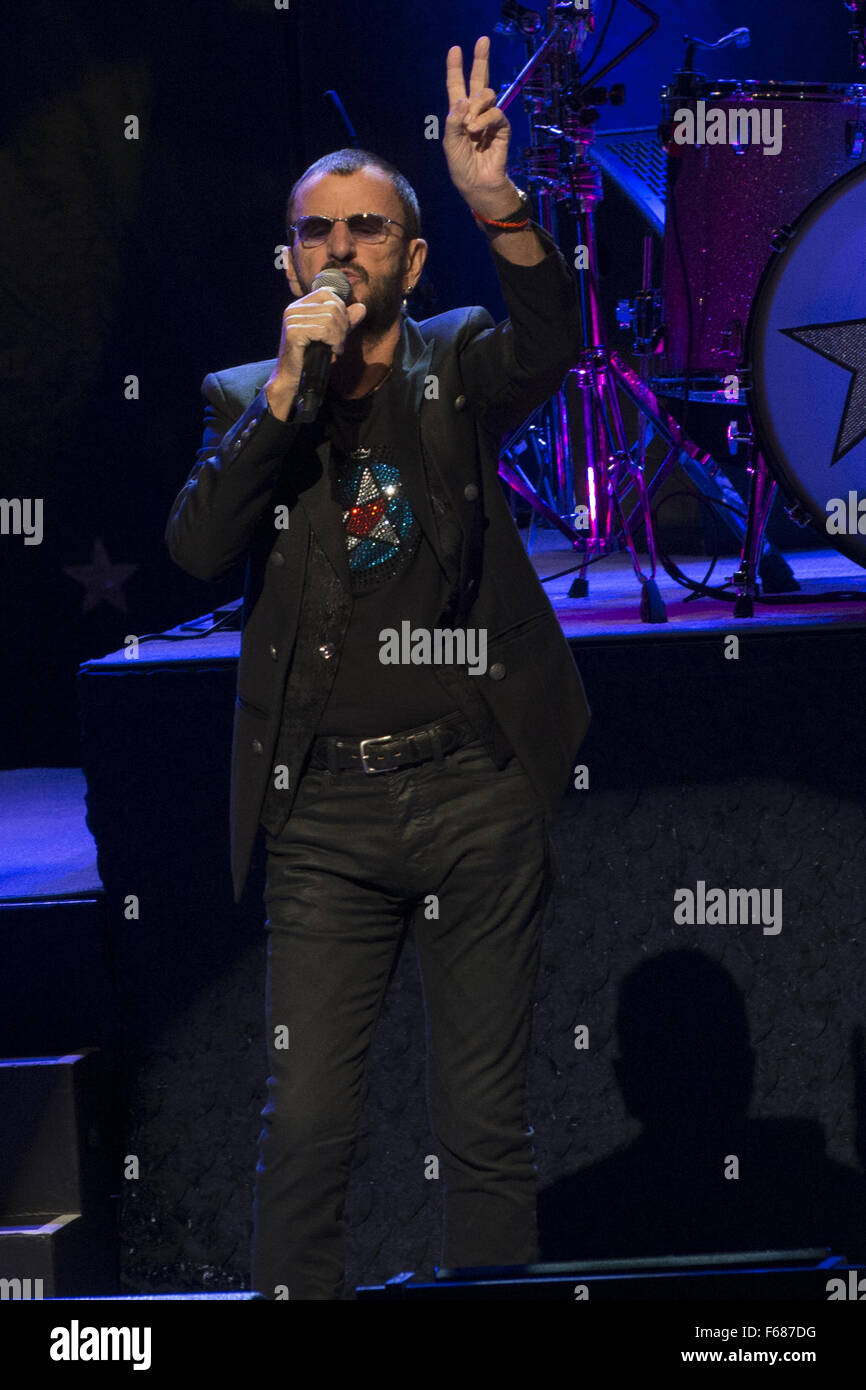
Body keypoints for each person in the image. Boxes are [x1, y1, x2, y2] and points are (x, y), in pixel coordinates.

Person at [165, 35, 590, 1300]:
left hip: (472, 795)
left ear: (407, 258)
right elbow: (194, 548)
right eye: (315, 231)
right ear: (285, 260)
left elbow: (551, 340)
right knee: (304, 1135)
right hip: (324, 817)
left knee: (480, 1128)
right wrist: (288, 387)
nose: (338, 248)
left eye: (365, 228)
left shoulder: (453, 364)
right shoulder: (242, 392)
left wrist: (491, 201)